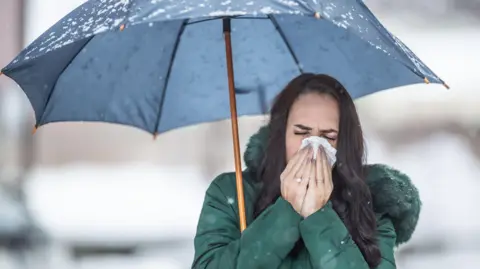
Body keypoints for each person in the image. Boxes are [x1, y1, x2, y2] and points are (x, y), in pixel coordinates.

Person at [192, 74, 421, 269]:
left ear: (344, 144)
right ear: (280, 135)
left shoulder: (373, 205)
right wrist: (286, 211)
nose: (313, 146)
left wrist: (318, 215)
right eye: (301, 133)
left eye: (328, 136)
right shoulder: (232, 194)